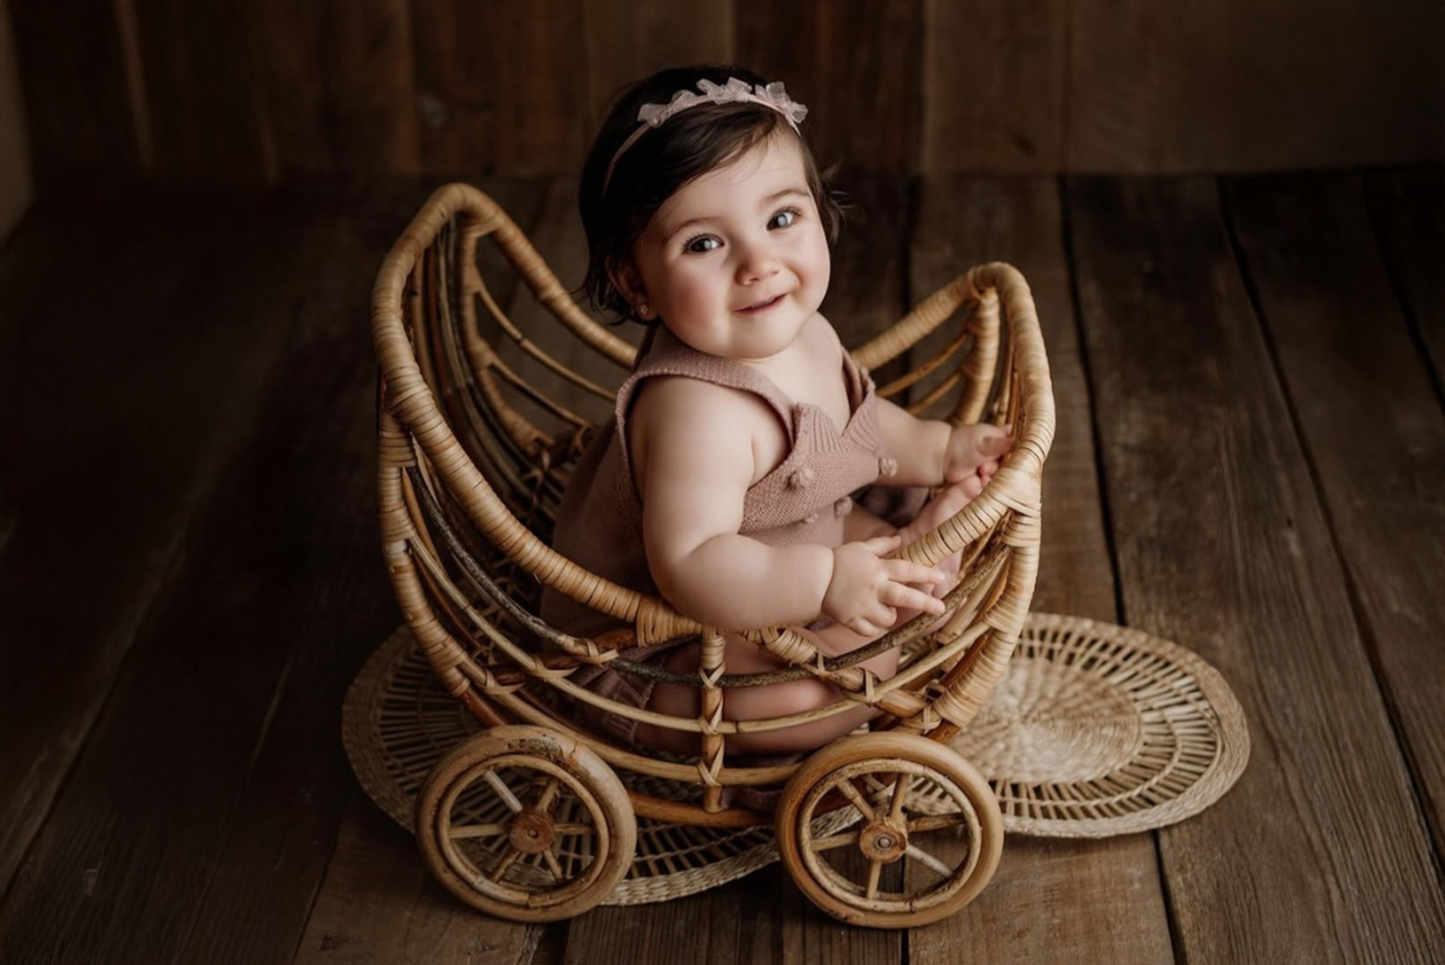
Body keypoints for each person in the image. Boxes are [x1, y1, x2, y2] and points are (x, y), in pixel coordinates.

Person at [542, 65, 1011, 755]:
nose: (758, 263)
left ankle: (896, 585)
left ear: (819, 212)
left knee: (881, 521)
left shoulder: (804, 331)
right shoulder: (696, 412)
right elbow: (694, 563)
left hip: (788, 546)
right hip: (662, 638)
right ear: (634, 281)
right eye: (704, 243)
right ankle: (889, 613)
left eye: (780, 218)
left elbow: (855, 427)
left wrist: (941, 451)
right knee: (800, 699)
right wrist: (825, 581)